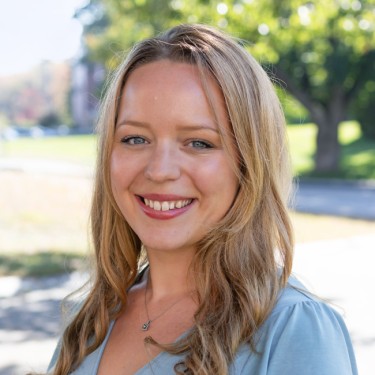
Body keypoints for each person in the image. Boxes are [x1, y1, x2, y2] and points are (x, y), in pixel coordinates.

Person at [46, 24, 357, 374]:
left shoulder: (293, 330)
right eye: (135, 139)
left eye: (199, 143)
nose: (160, 170)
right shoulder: (91, 317)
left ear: (249, 163)